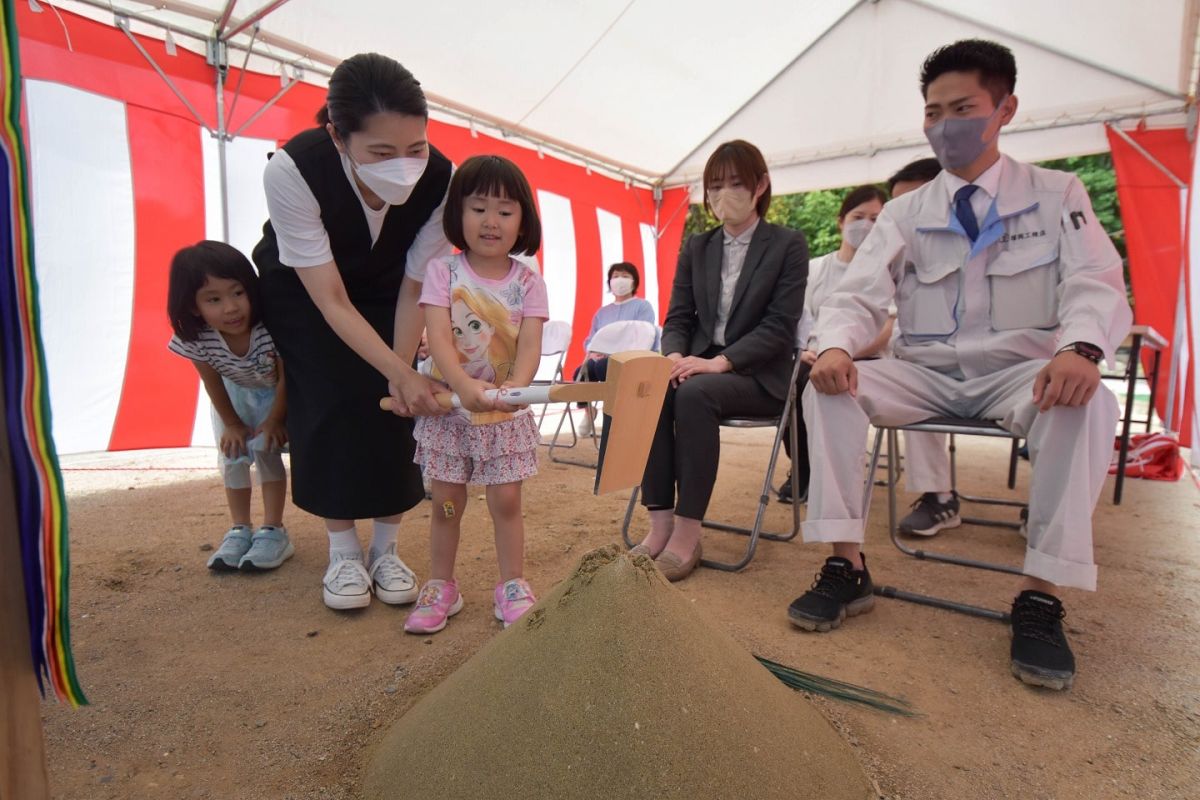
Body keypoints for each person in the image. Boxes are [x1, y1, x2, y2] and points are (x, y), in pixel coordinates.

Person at [789, 39, 1131, 691]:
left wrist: (1081, 347)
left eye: (963, 107)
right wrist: (834, 344)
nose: (946, 124)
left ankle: (1039, 596)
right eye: (932, 112)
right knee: (825, 387)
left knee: (1091, 405)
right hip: (925, 370)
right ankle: (846, 564)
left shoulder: (1058, 193)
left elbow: (1095, 279)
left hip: (1018, 371)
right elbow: (858, 294)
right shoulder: (904, 212)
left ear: (1005, 108)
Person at [252, 53, 452, 611]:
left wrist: (403, 370)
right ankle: (342, 552)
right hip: (309, 291)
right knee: (331, 395)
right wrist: (396, 371)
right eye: (382, 153)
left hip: (390, 287)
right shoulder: (292, 169)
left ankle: (385, 550)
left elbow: (415, 285)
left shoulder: (443, 179)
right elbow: (331, 298)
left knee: (397, 405)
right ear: (338, 136)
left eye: (416, 147)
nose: (405, 165)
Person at [631, 139, 808, 581]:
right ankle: (660, 522)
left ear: (761, 185)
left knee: (694, 394)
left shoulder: (788, 244)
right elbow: (678, 315)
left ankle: (688, 533)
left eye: (735, 184)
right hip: (698, 365)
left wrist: (720, 362)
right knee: (654, 387)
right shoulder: (698, 246)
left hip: (759, 374)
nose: (722, 194)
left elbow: (780, 326)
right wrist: (672, 355)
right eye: (714, 185)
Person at [403, 155, 549, 634]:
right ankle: (441, 585)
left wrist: (517, 389)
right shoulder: (443, 271)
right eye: (479, 208)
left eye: (505, 211)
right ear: (458, 214)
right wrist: (464, 388)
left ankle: (512, 584)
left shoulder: (529, 281)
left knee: (505, 500)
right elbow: (440, 339)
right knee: (447, 503)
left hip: (504, 415)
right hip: (450, 413)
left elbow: (529, 344)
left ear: (522, 220)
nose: (491, 221)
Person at [166, 241, 290, 571]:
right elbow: (213, 382)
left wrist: (276, 419)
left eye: (238, 293)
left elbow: (285, 377)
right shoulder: (197, 339)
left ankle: (274, 530)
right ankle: (239, 528)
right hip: (232, 399)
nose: (231, 308)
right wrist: (232, 423)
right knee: (233, 456)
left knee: (266, 452)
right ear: (194, 307)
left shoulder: (270, 328)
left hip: (274, 396)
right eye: (214, 300)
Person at [777, 185, 890, 505]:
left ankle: (825, 476)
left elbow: (886, 330)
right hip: (811, 353)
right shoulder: (815, 269)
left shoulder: (886, 269)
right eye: (858, 216)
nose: (866, 225)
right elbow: (797, 317)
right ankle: (803, 467)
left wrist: (840, 352)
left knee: (830, 383)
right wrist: (806, 351)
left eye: (875, 219)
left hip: (863, 358)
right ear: (841, 221)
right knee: (789, 376)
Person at [574, 262, 660, 436]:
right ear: (609, 282)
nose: (620, 280)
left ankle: (616, 417)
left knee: (602, 367)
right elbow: (590, 340)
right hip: (601, 359)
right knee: (580, 372)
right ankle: (589, 413)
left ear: (634, 282)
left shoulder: (642, 306)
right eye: (615, 276)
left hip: (629, 360)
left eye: (625, 276)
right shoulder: (602, 312)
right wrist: (593, 351)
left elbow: (644, 335)